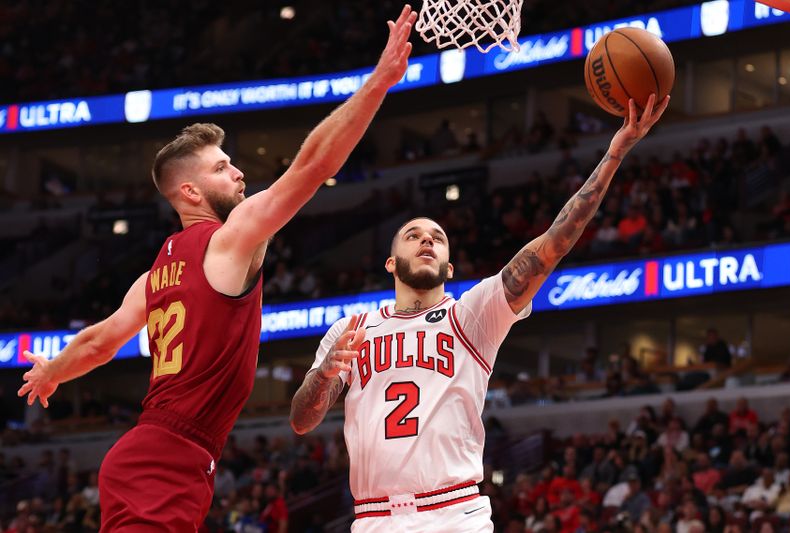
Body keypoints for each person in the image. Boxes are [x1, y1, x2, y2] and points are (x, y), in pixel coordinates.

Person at [16, 6, 417, 531]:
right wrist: (379, 82)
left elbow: (100, 343)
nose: (239, 171)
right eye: (222, 167)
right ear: (190, 191)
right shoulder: (229, 239)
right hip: (167, 456)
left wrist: (52, 371)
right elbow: (315, 165)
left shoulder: (153, 276)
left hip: (152, 456)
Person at [290, 94, 669, 531]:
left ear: (450, 267)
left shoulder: (473, 315)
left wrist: (615, 151)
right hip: (375, 517)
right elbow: (302, 421)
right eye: (412, 235)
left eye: (437, 237)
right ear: (391, 263)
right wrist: (323, 376)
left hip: (455, 514)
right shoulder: (351, 329)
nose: (426, 240)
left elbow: (555, 241)